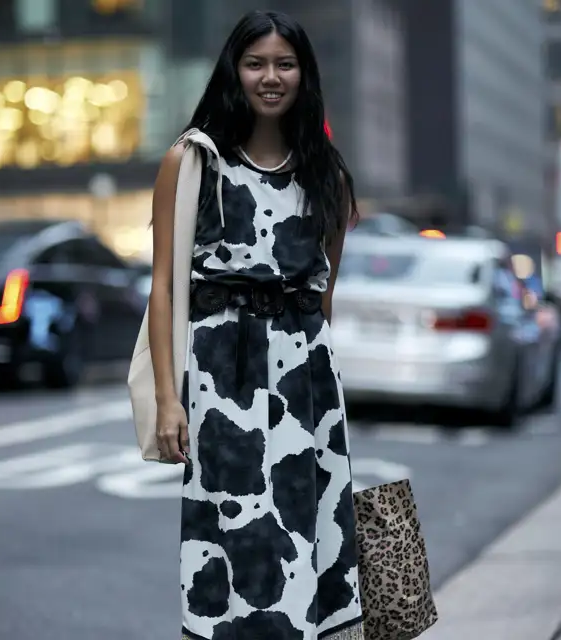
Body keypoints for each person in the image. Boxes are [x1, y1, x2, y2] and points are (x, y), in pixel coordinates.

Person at [149, 10, 363, 639]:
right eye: (256, 63)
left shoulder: (329, 175)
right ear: (233, 71)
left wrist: (319, 387)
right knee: (232, 539)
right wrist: (169, 400)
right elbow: (163, 288)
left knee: (309, 533)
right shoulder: (192, 163)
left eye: (285, 64)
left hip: (307, 383)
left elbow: (324, 296)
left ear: (305, 74)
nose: (271, 77)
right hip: (222, 381)